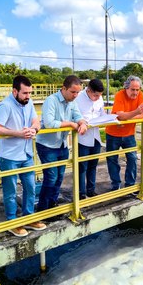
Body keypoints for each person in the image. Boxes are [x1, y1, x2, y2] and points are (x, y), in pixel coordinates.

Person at [0, 75, 46, 237]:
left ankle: (28, 218)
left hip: (26, 154)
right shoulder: (5, 106)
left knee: (30, 187)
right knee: (11, 191)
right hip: (9, 156)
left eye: (30, 93)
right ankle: (12, 222)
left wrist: (34, 129)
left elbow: (36, 121)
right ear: (15, 91)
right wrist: (17, 133)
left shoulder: (27, 104)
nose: (28, 96)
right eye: (25, 93)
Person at [36, 75, 87, 212]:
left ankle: (52, 206)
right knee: (51, 178)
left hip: (62, 145)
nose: (75, 95)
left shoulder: (72, 102)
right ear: (63, 88)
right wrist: (71, 123)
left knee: (59, 178)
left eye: (78, 92)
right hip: (48, 145)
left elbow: (78, 116)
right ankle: (43, 209)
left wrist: (82, 123)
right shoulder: (51, 101)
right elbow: (49, 123)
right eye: (73, 92)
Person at [105, 75, 143, 191]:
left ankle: (130, 185)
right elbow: (120, 115)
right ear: (126, 88)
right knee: (112, 159)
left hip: (129, 133)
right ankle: (115, 185)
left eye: (137, 89)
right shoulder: (120, 95)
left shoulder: (140, 95)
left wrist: (127, 117)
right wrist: (135, 112)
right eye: (132, 89)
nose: (135, 92)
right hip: (113, 133)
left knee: (132, 158)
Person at [75, 79, 105, 199]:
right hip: (82, 138)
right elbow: (74, 116)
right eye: (95, 95)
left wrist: (109, 118)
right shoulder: (78, 98)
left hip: (95, 136)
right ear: (88, 90)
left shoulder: (99, 99)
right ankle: (81, 192)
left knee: (93, 165)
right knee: (82, 166)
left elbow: (102, 114)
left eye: (100, 95)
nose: (98, 98)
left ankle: (90, 190)